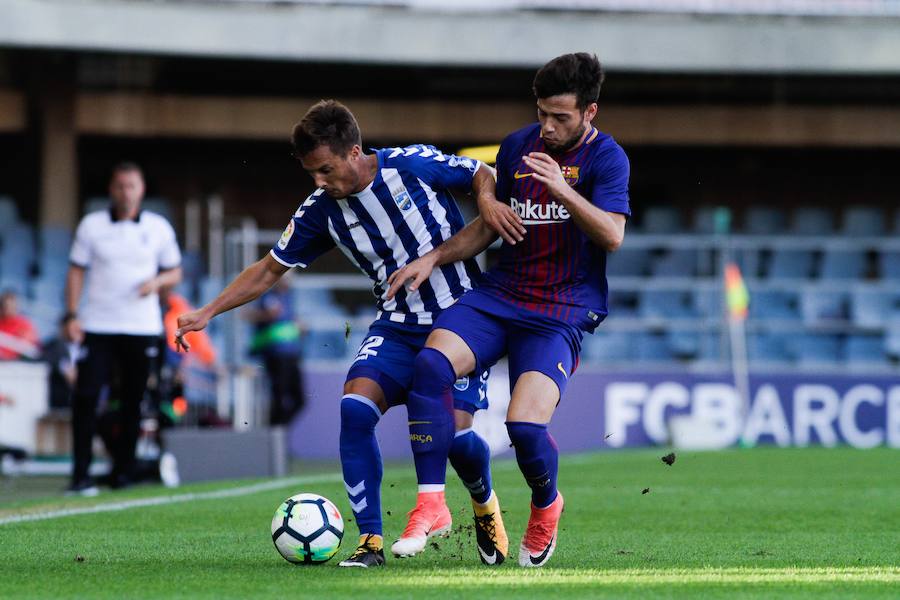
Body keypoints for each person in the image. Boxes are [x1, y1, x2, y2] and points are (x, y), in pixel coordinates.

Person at [174, 100, 509, 568]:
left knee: (455, 441)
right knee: (354, 409)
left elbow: (481, 173)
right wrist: (208, 310)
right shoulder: (321, 211)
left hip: (459, 323)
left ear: (354, 152)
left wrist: (488, 202)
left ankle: (483, 500)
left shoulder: (412, 164)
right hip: (396, 325)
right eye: (311, 172)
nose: (319, 181)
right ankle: (371, 541)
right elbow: (270, 269)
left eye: (326, 169)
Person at [387, 53, 630, 567]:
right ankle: (431, 503)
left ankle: (546, 504)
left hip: (561, 309)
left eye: (560, 116)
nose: (548, 125)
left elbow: (612, 235)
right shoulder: (518, 145)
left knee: (522, 427)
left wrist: (563, 189)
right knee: (429, 365)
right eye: (542, 112)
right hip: (502, 295)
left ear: (591, 112)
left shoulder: (607, 159)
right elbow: (491, 224)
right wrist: (433, 256)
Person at [64, 161, 182, 496]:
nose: (125, 192)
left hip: (141, 328)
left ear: (141, 190)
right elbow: (76, 271)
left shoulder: (158, 227)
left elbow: (175, 272)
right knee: (85, 398)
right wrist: (71, 314)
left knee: (133, 401)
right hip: (99, 325)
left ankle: (123, 473)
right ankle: (80, 475)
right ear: (111, 190)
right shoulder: (92, 225)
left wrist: (156, 281)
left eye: (132, 185)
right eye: (120, 186)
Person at [244, 276, 306, 425]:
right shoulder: (269, 297)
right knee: (279, 397)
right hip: (276, 355)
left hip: (292, 354)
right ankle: (274, 436)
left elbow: (291, 321)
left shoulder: (289, 297)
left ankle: (278, 432)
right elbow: (251, 315)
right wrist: (267, 315)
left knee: (299, 400)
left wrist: (300, 327)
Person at [42, 313, 84, 409]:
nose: (77, 331)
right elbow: (68, 373)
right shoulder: (54, 346)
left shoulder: (86, 347)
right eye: (73, 327)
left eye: (78, 327)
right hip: (61, 401)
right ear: (63, 328)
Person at [0, 290, 40, 361]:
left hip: (15, 364)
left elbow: (27, 348)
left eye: (11, 306)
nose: (8, 309)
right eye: (5, 306)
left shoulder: (25, 325)